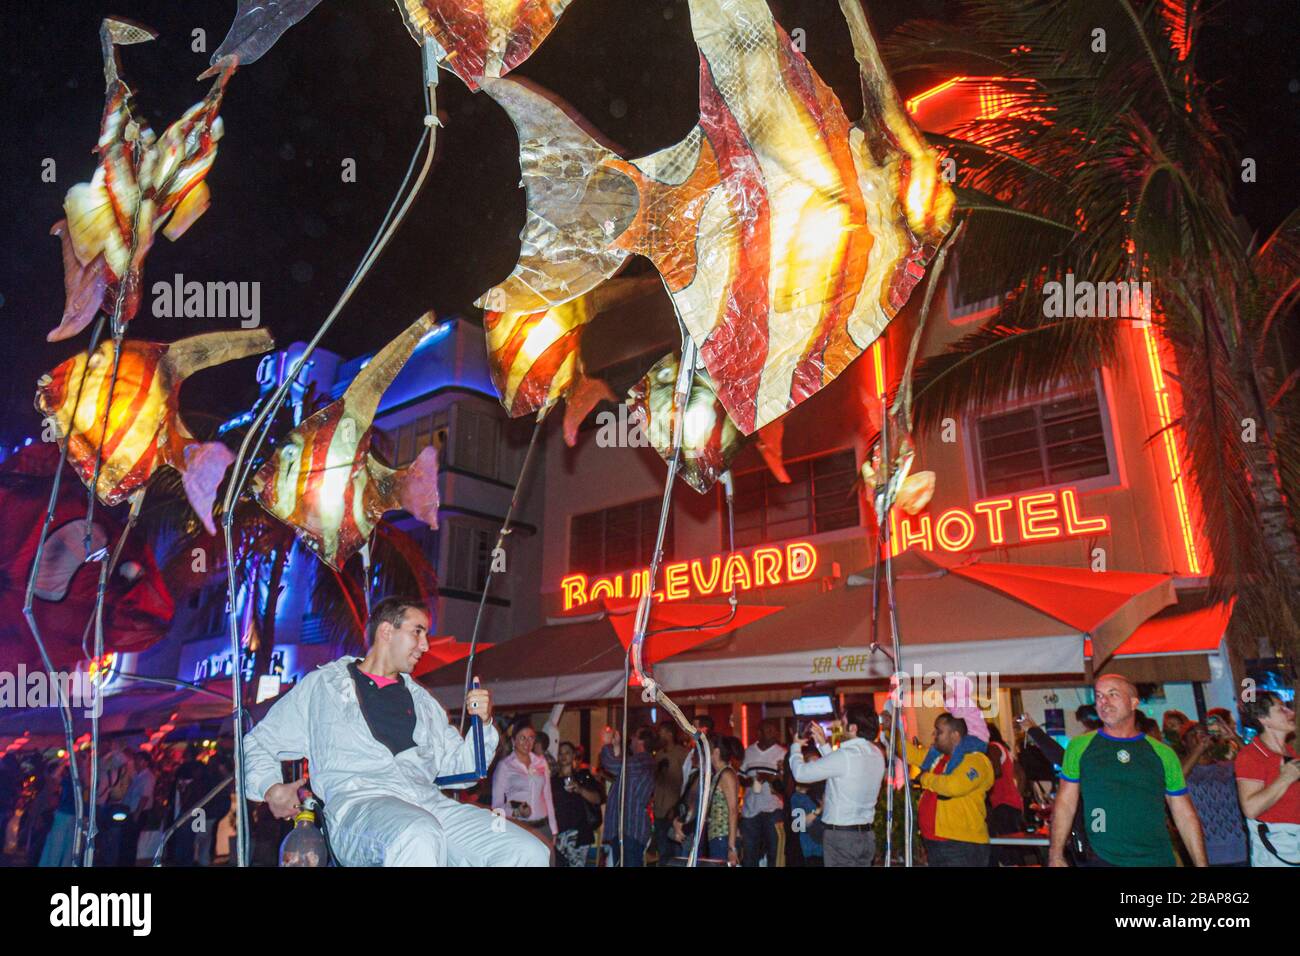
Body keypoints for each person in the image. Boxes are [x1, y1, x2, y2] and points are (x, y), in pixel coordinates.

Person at [243, 596, 548, 866]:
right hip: (359, 807)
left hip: (428, 804)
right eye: (418, 632)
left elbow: (465, 770)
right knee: (417, 833)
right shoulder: (324, 686)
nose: (426, 645)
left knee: (528, 851)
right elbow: (259, 742)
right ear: (386, 631)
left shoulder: (424, 703)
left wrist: (482, 724)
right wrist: (270, 788)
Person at [1049, 674, 1206, 867]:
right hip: (1102, 858)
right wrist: (1055, 854)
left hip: (1156, 859)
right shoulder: (1080, 746)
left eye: (1112, 694)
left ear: (1133, 703)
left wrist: (1201, 864)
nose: (1103, 701)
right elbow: (1065, 802)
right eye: (1099, 696)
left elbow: (1183, 813)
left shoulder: (1162, 753)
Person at [790, 707, 884, 867]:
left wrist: (796, 747)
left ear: (853, 728)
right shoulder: (876, 753)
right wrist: (823, 745)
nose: (840, 725)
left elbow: (801, 774)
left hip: (841, 837)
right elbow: (844, 770)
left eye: (844, 722)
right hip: (866, 836)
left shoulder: (845, 755)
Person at [909, 713, 994, 866]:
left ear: (955, 735)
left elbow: (952, 786)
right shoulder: (939, 758)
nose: (934, 735)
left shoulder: (976, 760)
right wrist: (891, 732)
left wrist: (924, 778)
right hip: (936, 842)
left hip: (962, 844)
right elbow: (912, 754)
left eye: (939, 731)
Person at [1234, 691, 1300, 867]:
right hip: (1277, 849)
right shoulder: (1251, 755)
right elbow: (1250, 808)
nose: (1291, 713)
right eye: (1281, 709)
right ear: (1263, 718)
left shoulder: (1288, 751)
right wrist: (1285, 778)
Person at [1179, 723, 1247, 866]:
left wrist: (1234, 737)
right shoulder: (1182, 770)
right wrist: (1199, 750)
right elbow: (1177, 782)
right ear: (1184, 742)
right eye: (1193, 734)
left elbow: (1254, 763)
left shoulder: (1227, 767)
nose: (1200, 737)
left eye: (1203, 733)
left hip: (1239, 849)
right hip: (1205, 853)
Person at [492, 720, 557, 845]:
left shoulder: (541, 763)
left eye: (531, 738)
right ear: (513, 741)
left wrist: (554, 830)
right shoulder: (505, 766)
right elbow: (496, 807)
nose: (527, 742)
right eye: (522, 738)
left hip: (543, 828)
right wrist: (516, 812)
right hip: (519, 828)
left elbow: (548, 797)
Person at [599, 726, 656, 867]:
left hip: (630, 829)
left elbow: (612, 765)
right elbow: (620, 771)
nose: (631, 739)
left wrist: (606, 743)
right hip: (626, 829)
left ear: (641, 741)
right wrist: (616, 746)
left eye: (635, 736)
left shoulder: (642, 761)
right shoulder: (639, 762)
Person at [739, 718, 786, 867]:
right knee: (749, 853)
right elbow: (740, 777)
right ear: (759, 733)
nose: (773, 734)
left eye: (774, 731)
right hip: (750, 810)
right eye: (769, 730)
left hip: (773, 809)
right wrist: (751, 780)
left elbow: (785, 785)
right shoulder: (749, 752)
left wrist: (771, 778)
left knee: (774, 853)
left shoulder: (783, 753)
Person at [552, 741, 603, 867]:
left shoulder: (582, 776)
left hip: (580, 833)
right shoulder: (552, 780)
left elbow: (597, 798)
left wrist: (580, 789)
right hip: (559, 834)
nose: (563, 756)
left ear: (574, 755)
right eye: (560, 753)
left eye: (567, 753)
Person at [986, 724, 1026, 864]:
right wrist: (1017, 795)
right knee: (1013, 845)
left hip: (1001, 803)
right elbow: (1020, 775)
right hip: (1012, 802)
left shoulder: (992, 747)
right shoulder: (1006, 750)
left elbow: (996, 771)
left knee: (1005, 845)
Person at [652, 722, 688, 864]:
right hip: (659, 810)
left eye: (661, 732)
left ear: (670, 734)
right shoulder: (659, 755)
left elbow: (686, 781)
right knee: (663, 852)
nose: (659, 735)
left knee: (676, 853)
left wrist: (678, 807)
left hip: (674, 812)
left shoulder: (681, 753)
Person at [120, 750, 156, 866]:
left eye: (138, 759)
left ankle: (128, 863)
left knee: (131, 839)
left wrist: (137, 813)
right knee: (127, 839)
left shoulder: (148, 777)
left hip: (138, 812)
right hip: (130, 811)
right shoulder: (137, 775)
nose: (136, 762)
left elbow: (144, 797)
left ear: (145, 762)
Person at [789, 752, 824, 867]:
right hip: (810, 851)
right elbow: (798, 824)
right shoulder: (799, 796)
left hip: (828, 848)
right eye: (812, 764)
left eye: (819, 764)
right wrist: (819, 810)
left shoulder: (825, 788)